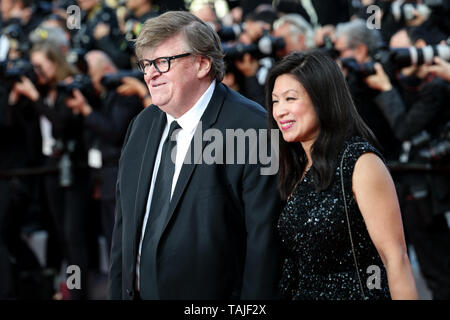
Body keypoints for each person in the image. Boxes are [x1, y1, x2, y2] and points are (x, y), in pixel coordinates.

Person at [108, 11, 281, 300]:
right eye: (146, 64)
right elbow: (123, 229)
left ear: (201, 64)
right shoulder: (143, 124)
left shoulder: (252, 127)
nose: (150, 74)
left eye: (162, 63)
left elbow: (265, 246)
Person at [266, 51, 418, 300]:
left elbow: (395, 260)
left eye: (290, 99)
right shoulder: (298, 167)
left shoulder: (360, 162)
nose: (280, 111)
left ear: (322, 100)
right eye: (275, 101)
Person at [65, 50, 142, 256]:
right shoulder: (104, 94)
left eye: (91, 76)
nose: (90, 82)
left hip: (121, 174)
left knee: (123, 240)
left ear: (107, 70)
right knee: (112, 240)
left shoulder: (125, 91)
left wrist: (85, 110)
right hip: (106, 176)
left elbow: (114, 131)